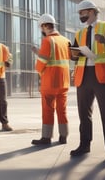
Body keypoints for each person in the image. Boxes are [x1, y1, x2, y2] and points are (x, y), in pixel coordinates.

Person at [70, 0, 105, 166]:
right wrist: (72, 53)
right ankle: (84, 145)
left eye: (82, 13)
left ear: (91, 11)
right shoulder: (79, 33)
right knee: (83, 115)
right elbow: (75, 55)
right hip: (84, 76)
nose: (80, 16)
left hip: (103, 76)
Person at [31, 14, 71, 145]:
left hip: (50, 82)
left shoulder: (48, 41)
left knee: (48, 109)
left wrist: (38, 65)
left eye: (41, 28)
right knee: (62, 109)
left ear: (44, 26)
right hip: (64, 82)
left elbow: (41, 63)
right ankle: (63, 136)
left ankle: (46, 137)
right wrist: (40, 52)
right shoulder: (65, 40)